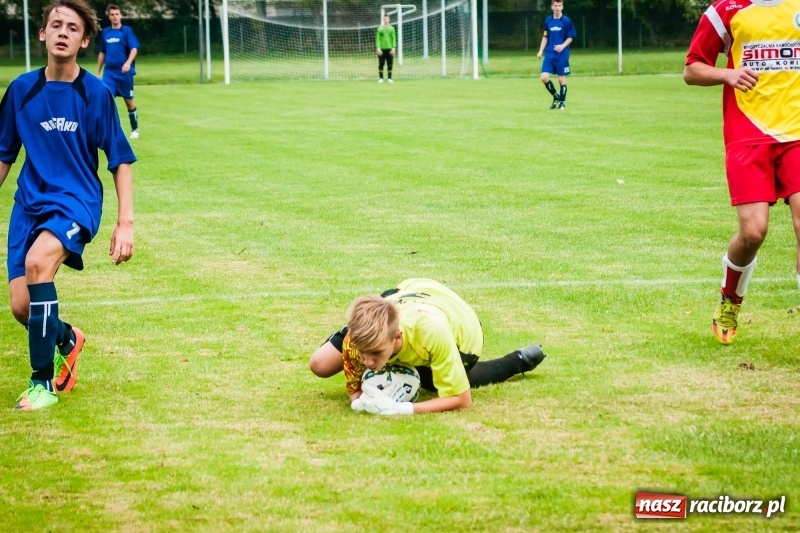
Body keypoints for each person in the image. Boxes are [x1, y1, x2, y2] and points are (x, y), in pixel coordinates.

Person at [0, 0, 136, 410]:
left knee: (40, 263)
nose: (62, 32)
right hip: (29, 205)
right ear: (42, 34)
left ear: (83, 40)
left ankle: (41, 384)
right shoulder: (21, 90)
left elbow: (120, 158)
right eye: (55, 25)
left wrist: (124, 222)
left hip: (76, 202)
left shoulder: (95, 93)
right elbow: (4, 155)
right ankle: (68, 339)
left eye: (72, 27)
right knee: (23, 308)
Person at [684, 0, 800, 345]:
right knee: (753, 232)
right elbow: (692, 69)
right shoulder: (725, 9)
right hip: (747, 134)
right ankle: (730, 300)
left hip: (796, 132)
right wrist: (727, 73)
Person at [309, 278, 547, 415]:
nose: (368, 362)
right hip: (409, 292)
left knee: (434, 385)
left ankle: (516, 360)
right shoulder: (355, 341)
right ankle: (378, 321)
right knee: (320, 364)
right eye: (364, 352)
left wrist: (401, 409)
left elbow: (462, 401)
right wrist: (360, 401)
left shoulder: (432, 334)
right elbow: (354, 389)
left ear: (397, 337)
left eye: (376, 353)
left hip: (462, 329)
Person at [97, 4, 140, 139]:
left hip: (124, 73)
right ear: (109, 16)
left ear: (120, 15)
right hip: (109, 72)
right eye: (112, 14)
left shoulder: (126, 31)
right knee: (106, 98)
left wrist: (128, 63)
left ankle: (135, 129)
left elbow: (134, 49)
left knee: (129, 100)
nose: (115, 17)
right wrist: (98, 72)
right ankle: (109, 130)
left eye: (117, 14)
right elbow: (102, 52)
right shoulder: (105, 32)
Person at [536, 0, 576, 110]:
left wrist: (562, 46)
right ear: (552, 7)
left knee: (561, 79)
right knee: (544, 77)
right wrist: (540, 51)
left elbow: (570, 38)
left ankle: (562, 102)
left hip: (562, 54)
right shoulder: (548, 20)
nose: (557, 7)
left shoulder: (567, 21)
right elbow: (545, 36)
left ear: (562, 7)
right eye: (555, 5)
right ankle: (556, 96)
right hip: (549, 54)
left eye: (559, 5)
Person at [375, 14, 396, 84]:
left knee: (390, 64)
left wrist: (393, 47)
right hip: (382, 49)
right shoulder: (380, 29)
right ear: (383, 19)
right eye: (385, 18)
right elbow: (377, 39)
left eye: (387, 18)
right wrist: (378, 47)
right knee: (381, 63)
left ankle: (389, 78)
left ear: (389, 19)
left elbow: (394, 38)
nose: (386, 20)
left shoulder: (392, 28)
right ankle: (381, 78)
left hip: (389, 49)